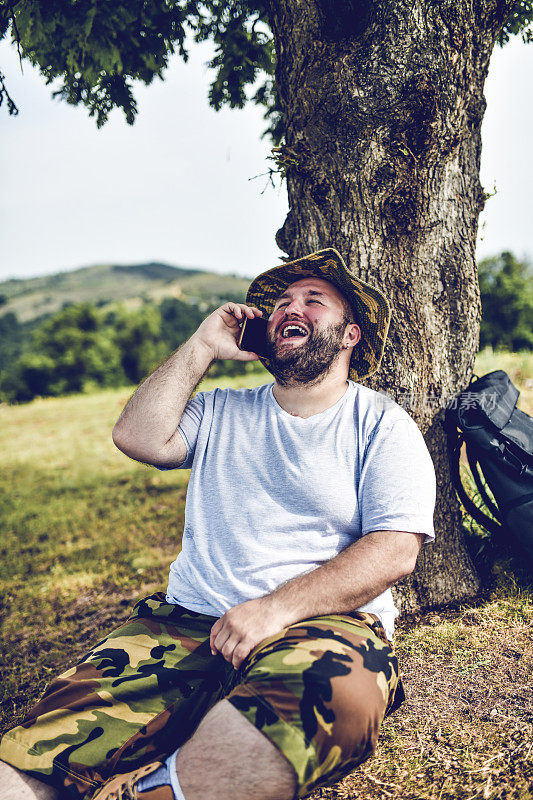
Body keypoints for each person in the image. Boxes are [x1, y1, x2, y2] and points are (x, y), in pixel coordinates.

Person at [0, 248, 436, 800]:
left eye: (312, 300)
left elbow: (396, 549)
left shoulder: (381, 423)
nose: (289, 309)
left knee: (334, 703)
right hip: (184, 626)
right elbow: (137, 437)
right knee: (33, 754)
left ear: (349, 335)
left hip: (321, 624)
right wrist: (203, 345)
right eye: (280, 303)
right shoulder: (221, 411)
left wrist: (273, 610)